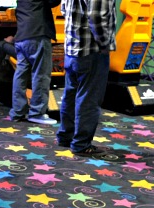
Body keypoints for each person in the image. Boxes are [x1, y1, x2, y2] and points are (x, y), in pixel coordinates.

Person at [56, 0, 117, 155]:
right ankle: (81, 144)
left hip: (72, 48)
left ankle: (65, 137)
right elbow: (96, 18)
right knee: (89, 99)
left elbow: (63, 9)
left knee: (70, 95)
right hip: (91, 51)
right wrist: (104, 44)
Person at [9, 0, 61, 125]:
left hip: (22, 35)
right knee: (41, 74)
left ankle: (17, 111)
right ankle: (37, 113)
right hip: (37, 34)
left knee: (20, 74)